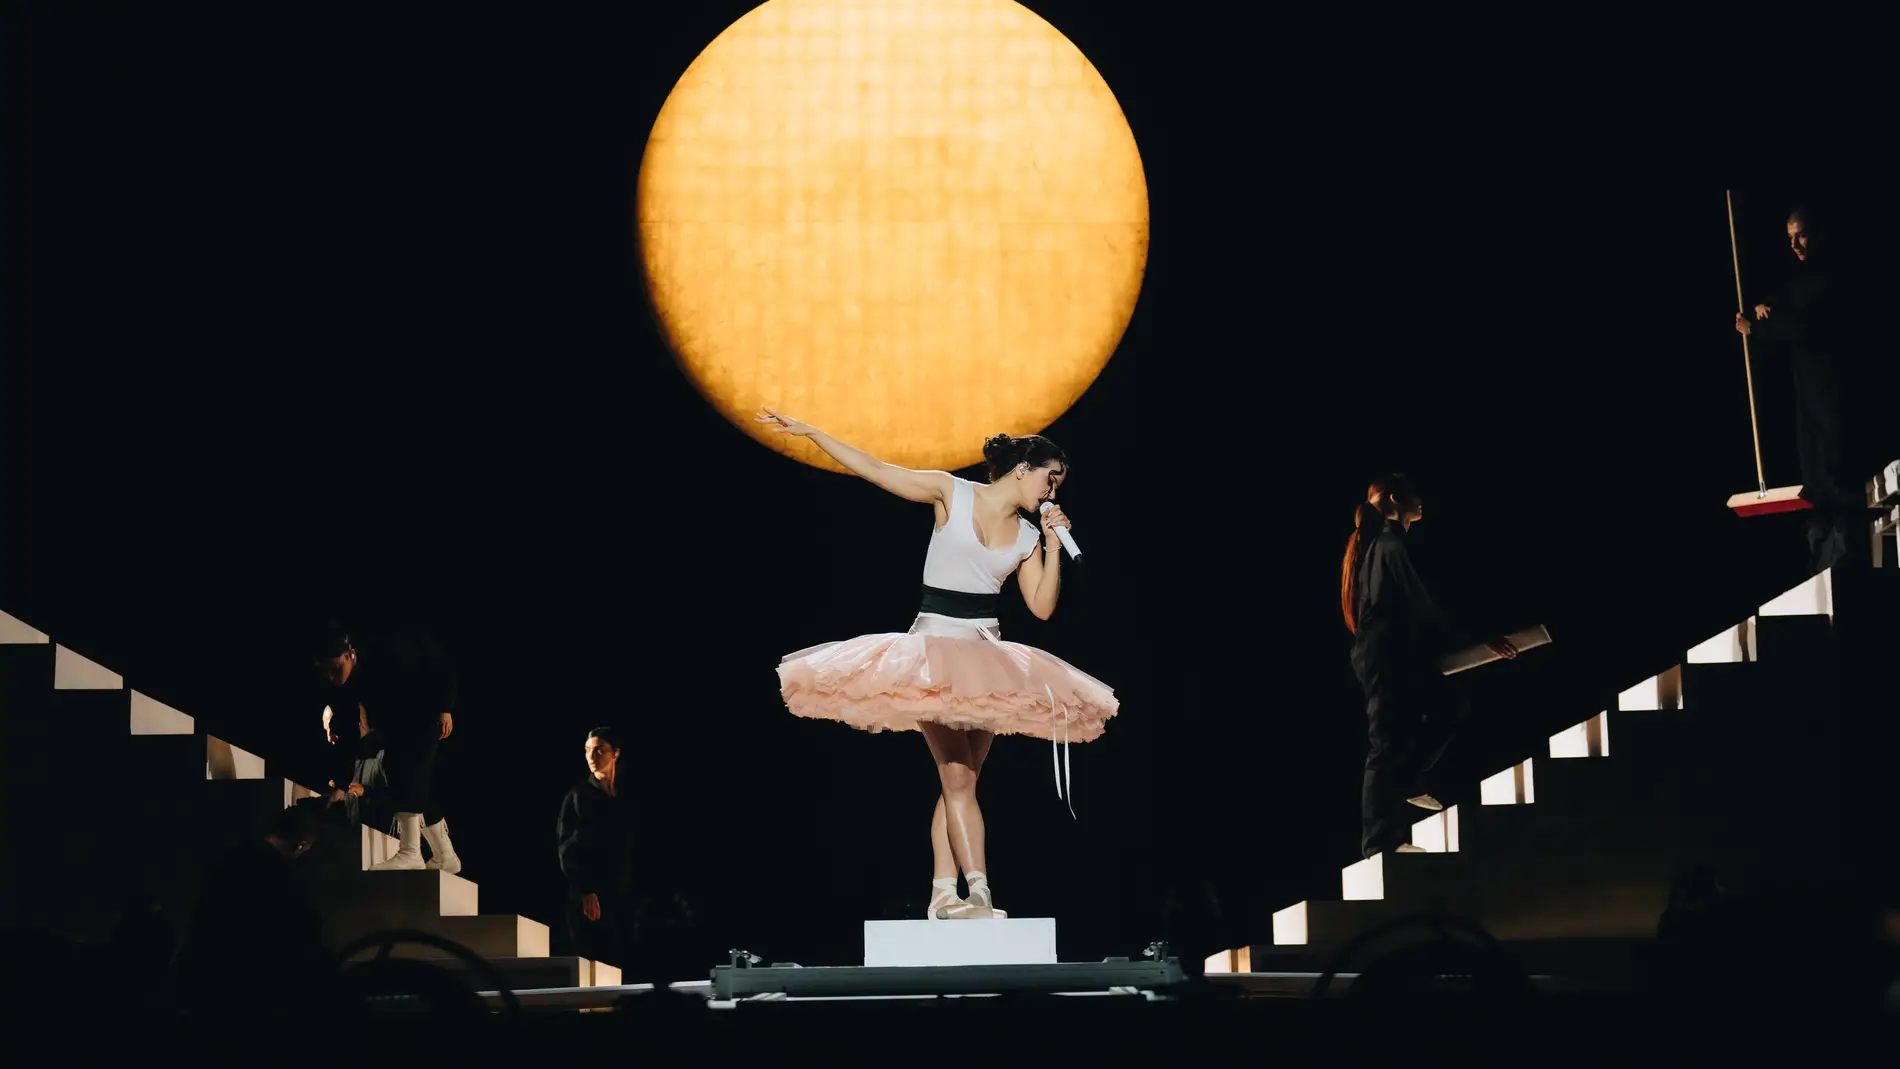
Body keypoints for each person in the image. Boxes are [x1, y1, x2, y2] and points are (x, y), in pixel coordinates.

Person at [759, 408, 1118, 920]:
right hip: (933, 653)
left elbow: (1040, 606)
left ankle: (944, 895)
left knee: (962, 782)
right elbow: (879, 470)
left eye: (1057, 484)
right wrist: (816, 434)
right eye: (1049, 477)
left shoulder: (1026, 535)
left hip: (988, 660)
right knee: (957, 780)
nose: (1052, 491)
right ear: (1023, 468)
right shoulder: (953, 492)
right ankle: (980, 896)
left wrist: (1054, 542)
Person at [1341, 475, 1517, 859]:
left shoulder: (1385, 545)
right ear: (1394, 498)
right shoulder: (1388, 544)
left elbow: (1421, 604)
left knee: (1450, 701)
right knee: (1385, 744)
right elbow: (1429, 601)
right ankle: (1379, 844)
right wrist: (1479, 638)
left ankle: (1410, 779)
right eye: (1413, 495)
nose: (1421, 500)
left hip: (1395, 652)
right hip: (1383, 655)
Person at [1733, 202, 1874, 573]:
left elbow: (1806, 325)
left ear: (1820, 233)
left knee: (1836, 473)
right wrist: (1765, 307)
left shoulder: (1836, 274)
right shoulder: (1801, 278)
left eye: (1802, 235)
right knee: (1815, 478)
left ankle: (1847, 561)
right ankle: (1823, 560)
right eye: (1790, 238)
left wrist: (1760, 328)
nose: (1795, 244)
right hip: (1809, 399)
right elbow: (1788, 301)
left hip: (1834, 398)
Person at [311, 621, 461, 873]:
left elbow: (440, 663)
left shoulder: (384, 649)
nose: (331, 677)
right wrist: (339, 785)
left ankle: (411, 851)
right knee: (408, 780)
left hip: (424, 712)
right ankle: (445, 855)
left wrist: (445, 706)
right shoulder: (346, 686)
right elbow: (349, 737)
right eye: (325, 672)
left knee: (409, 776)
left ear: (350, 655)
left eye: (336, 668)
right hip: (398, 726)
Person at [174, 800, 331, 1020]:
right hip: (251, 993)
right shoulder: (284, 879)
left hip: (203, 978)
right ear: (298, 845)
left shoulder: (231, 859)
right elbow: (303, 934)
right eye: (304, 850)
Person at [556, 727, 637, 973]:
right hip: (590, 896)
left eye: (599, 750)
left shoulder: (626, 797)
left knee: (619, 962)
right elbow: (568, 846)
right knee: (592, 962)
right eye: (588, 750)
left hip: (620, 893)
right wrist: (586, 888)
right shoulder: (579, 795)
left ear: (615, 754)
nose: (592, 756)